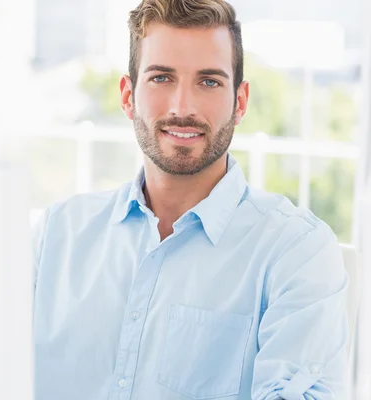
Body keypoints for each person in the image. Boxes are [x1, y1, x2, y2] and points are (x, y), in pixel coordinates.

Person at [32, 0, 350, 398]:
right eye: (162, 78)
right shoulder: (55, 235)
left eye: (209, 81)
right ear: (128, 96)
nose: (183, 108)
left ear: (241, 101)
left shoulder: (296, 252)